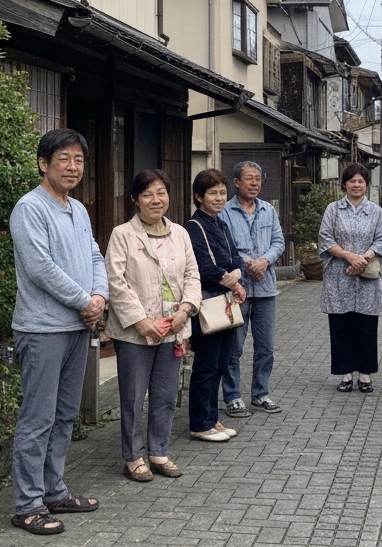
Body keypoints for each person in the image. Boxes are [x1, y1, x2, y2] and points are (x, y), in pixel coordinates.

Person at [8, 128, 108, 535]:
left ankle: (54, 491)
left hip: (77, 326)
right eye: (63, 158)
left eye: (78, 159)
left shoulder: (78, 209)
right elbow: (40, 268)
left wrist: (99, 295)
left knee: (65, 414)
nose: (72, 166)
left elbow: (95, 256)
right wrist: (86, 301)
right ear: (43, 164)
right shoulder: (29, 208)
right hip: (43, 329)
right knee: (38, 417)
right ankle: (27, 505)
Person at [105, 169, 201, 481]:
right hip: (135, 331)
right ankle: (133, 457)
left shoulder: (180, 234)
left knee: (165, 394)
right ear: (135, 199)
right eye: (147, 194)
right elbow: (116, 282)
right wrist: (140, 320)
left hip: (173, 327)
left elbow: (192, 275)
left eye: (161, 193)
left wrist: (186, 309)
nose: (155, 200)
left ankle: (159, 452)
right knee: (133, 397)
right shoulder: (122, 234)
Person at [186, 169, 247, 443]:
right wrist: (233, 281)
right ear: (199, 196)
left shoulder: (221, 224)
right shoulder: (194, 227)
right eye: (212, 193)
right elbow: (204, 267)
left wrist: (238, 274)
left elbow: (236, 257)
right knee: (206, 365)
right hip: (208, 302)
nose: (219, 198)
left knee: (221, 363)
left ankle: (211, 418)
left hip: (224, 302)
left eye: (222, 192)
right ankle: (200, 422)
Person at [220, 161, 285, 417]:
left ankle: (260, 393)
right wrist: (249, 263)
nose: (255, 183)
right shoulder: (225, 212)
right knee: (233, 347)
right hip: (238, 289)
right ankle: (233, 396)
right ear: (236, 182)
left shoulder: (268, 210)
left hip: (266, 289)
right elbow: (225, 247)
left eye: (258, 178)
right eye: (249, 178)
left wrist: (265, 261)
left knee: (266, 346)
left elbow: (278, 242)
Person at [319, 163, 382, 393]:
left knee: (366, 325)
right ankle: (346, 373)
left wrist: (364, 258)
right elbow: (325, 238)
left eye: (360, 181)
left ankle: (365, 373)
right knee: (341, 326)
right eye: (352, 181)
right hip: (339, 276)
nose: (356, 185)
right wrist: (348, 256)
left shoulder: (376, 212)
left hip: (367, 276)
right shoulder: (333, 210)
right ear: (344, 184)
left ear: (366, 184)